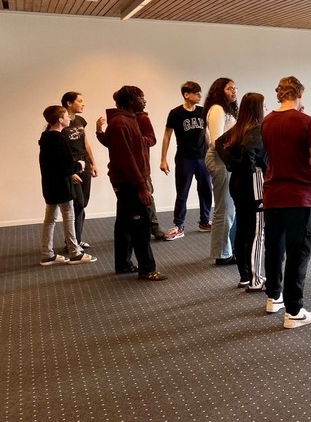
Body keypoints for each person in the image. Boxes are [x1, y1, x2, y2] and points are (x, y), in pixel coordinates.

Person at [261, 76, 311, 329]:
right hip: (301, 196)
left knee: (275, 248)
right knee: (298, 252)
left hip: (273, 195)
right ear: (299, 92)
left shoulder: (266, 122)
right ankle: (294, 310)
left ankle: (273, 296)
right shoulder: (306, 122)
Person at [99, 86, 165, 280]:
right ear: (130, 100)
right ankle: (147, 269)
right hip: (129, 182)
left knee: (124, 224)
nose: (144, 101)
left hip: (129, 181)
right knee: (141, 226)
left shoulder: (129, 120)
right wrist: (141, 186)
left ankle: (123, 264)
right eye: (141, 97)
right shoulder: (120, 123)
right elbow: (126, 159)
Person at [217, 93, 267, 291]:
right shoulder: (256, 130)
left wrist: (231, 164)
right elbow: (249, 157)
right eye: (264, 106)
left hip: (238, 183)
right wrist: (242, 165)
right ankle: (255, 280)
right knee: (256, 232)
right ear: (257, 109)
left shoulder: (239, 128)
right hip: (253, 184)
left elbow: (218, 143)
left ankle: (245, 276)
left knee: (244, 228)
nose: (266, 109)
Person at [38, 105, 97, 265]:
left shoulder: (45, 137)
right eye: (66, 116)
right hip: (61, 185)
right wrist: (80, 165)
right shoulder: (59, 139)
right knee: (69, 216)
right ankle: (75, 253)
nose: (69, 118)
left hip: (49, 185)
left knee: (50, 219)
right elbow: (66, 166)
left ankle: (47, 254)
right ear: (60, 119)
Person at [159, 81, 213, 241]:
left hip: (202, 158)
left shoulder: (203, 112)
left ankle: (204, 222)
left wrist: (212, 152)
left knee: (206, 190)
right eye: (196, 93)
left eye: (200, 93)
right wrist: (163, 159)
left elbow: (207, 133)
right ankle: (179, 225)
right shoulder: (175, 113)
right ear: (186, 94)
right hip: (184, 159)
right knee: (182, 192)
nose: (200, 96)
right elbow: (167, 136)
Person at [204, 78, 239, 265]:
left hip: (226, 159)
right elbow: (216, 141)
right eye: (230, 88)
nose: (234, 91)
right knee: (224, 209)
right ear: (220, 90)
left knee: (229, 208)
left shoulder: (228, 109)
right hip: (220, 159)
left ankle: (226, 249)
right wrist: (231, 160)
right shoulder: (217, 109)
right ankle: (222, 254)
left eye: (235, 88)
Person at [60, 92, 98, 249]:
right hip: (72, 165)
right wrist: (70, 171)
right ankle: (72, 242)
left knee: (84, 203)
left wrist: (93, 163)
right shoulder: (61, 122)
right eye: (80, 101)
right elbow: (60, 150)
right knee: (77, 203)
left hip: (85, 163)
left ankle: (77, 238)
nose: (83, 104)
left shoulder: (81, 120)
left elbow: (86, 143)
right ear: (69, 103)